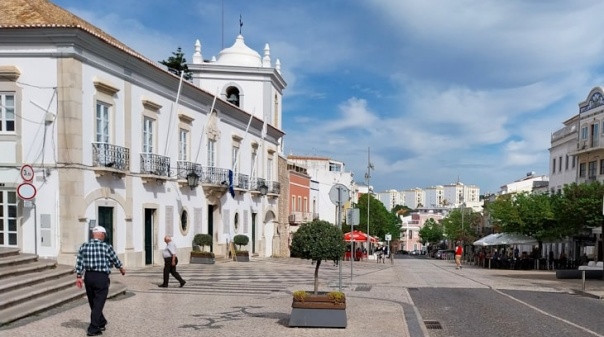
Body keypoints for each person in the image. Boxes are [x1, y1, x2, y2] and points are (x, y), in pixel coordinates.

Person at [75, 225, 125, 336]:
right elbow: (115, 259)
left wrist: (79, 276)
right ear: (102, 234)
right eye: (104, 235)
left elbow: (79, 261)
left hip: (89, 277)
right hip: (101, 277)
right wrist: (121, 268)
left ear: (93, 234)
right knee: (98, 303)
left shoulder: (84, 246)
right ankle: (93, 328)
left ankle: (101, 322)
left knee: (93, 301)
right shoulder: (106, 246)